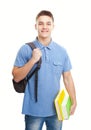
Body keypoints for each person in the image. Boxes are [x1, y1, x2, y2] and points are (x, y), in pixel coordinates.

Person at [12, 10, 77, 130]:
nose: (44, 27)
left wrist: (74, 101)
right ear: (35, 26)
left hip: (57, 110)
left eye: (48, 23)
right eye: (41, 23)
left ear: (53, 26)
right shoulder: (26, 49)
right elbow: (16, 77)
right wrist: (32, 60)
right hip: (33, 111)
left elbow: (67, 78)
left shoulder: (62, 51)